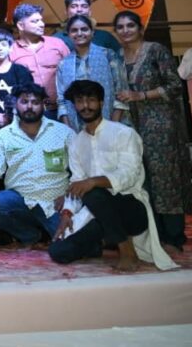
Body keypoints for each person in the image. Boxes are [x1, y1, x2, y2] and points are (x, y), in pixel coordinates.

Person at [48, 80, 177, 271]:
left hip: (132, 209)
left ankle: (127, 251)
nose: (85, 106)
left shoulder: (124, 133)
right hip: (98, 212)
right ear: (74, 105)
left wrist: (94, 181)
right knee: (59, 251)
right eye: (80, 101)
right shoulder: (76, 143)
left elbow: (129, 174)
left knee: (93, 192)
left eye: (91, 100)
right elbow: (76, 182)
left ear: (101, 102)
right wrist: (67, 213)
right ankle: (104, 242)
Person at [114, 10, 190, 251]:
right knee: (142, 180)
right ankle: (154, 235)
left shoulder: (156, 50)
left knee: (165, 179)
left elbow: (175, 86)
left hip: (161, 125)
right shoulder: (117, 57)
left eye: (130, 25)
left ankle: (174, 236)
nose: (125, 30)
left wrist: (142, 95)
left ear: (140, 28)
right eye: (120, 27)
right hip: (131, 126)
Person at [0, 83, 74, 246]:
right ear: (16, 104)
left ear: (43, 104)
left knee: (70, 247)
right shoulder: (4, 135)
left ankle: (50, 232)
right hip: (20, 200)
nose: (29, 106)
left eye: (35, 102)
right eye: (24, 101)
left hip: (55, 202)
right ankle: (31, 235)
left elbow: (81, 169)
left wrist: (68, 195)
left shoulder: (63, 132)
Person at [55, 15, 128, 131]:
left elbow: (121, 94)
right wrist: (69, 131)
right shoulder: (64, 64)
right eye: (74, 30)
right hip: (78, 129)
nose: (79, 33)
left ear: (92, 32)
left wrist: (112, 127)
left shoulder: (108, 55)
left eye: (84, 29)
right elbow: (62, 101)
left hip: (112, 124)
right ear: (68, 34)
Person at [9, 4, 70, 118]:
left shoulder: (57, 44)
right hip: (30, 113)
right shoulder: (12, 51)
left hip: (63, 110)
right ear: (21, 25)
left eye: (41, 20)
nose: (42, 24)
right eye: (35, 21)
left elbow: (73, 72)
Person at [55, 0, 121, 54]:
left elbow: (121, 58)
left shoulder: (105, 37)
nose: (79, 10)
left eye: (84, 6)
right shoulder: (57, 39)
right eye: (74, 6)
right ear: (66, 12)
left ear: (89, 12)